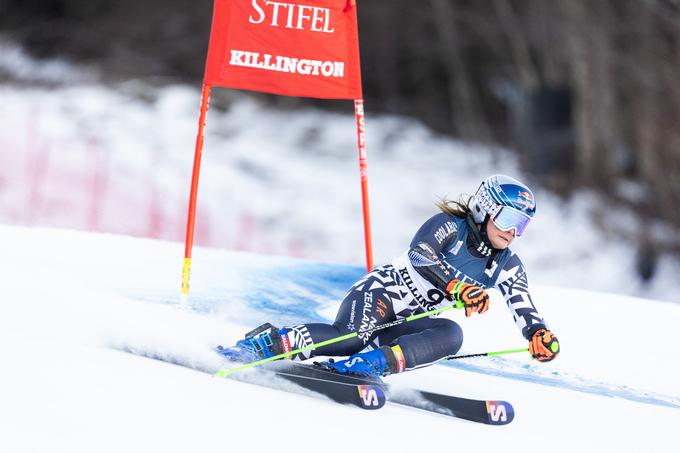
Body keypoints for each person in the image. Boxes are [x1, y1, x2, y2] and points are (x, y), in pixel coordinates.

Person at [218, 174, 560, 377]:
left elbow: (522, 305)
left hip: (406, 321)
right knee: (350, 337)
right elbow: (421, 254)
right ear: (485, 208)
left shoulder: (508, 265)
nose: (513, 232)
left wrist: (538, 333)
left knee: (451, 333)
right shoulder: (449, 228)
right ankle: (270, 342)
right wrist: (457, 287)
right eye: (509, 220)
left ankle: (368, 365)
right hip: (380, 295)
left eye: (522, 225)